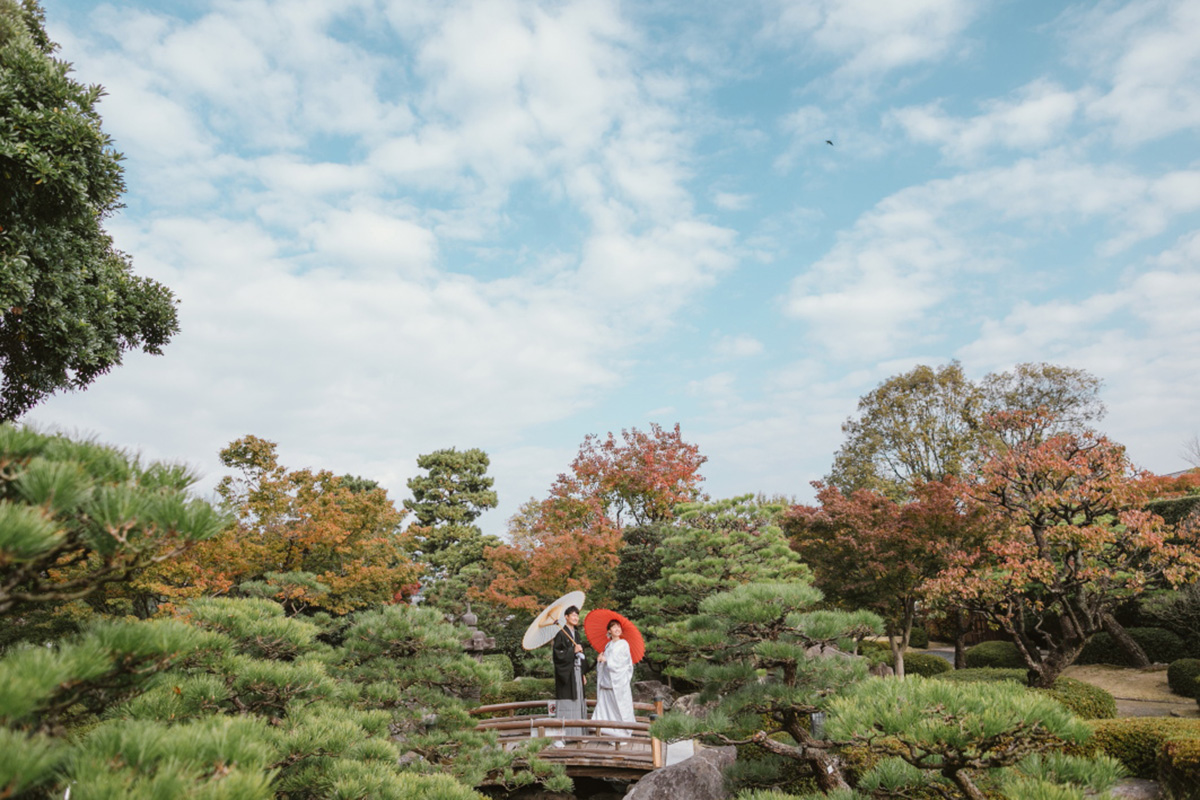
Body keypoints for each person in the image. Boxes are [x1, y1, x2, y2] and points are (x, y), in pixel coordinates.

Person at [592, 619, 635, 740]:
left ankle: (622, 734)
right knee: (608, 710)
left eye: (619, 627)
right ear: (609, 631)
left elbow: (623, 663)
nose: (617, 629)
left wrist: (608, 661)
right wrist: (600, 660)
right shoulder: (608, 645)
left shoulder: (624, 644)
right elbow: (604, 663)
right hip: (607, 683)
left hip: (618, 683)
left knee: (619, 709)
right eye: (614, 627)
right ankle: (610, 734)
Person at [551, 606, 589, 745]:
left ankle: (578, 734)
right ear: (566, 617)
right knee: (567, 703)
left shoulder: (576, 634)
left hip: (577, 673)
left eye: (577, 616)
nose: (575, 618)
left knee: (579, 701)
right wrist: (572, 650)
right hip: (566, 674)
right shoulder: (561, 634)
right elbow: (557, 655)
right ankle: (561, 737)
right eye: (573, 615)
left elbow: (580, 655)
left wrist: (583, 673)